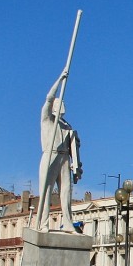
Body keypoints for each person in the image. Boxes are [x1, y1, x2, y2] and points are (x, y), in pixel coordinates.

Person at [36, 69, 82, 231]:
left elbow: (74, 146)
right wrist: (60, 79)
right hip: (50, 155)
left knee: (66, 192)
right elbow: (49, 98)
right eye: (60, 101)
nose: (63, 104)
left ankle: (68, 223)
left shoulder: (67, 125)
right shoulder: (47, 119)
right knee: (46, 192)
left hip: (64, 159)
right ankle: (43, 224)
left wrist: (76, 165)